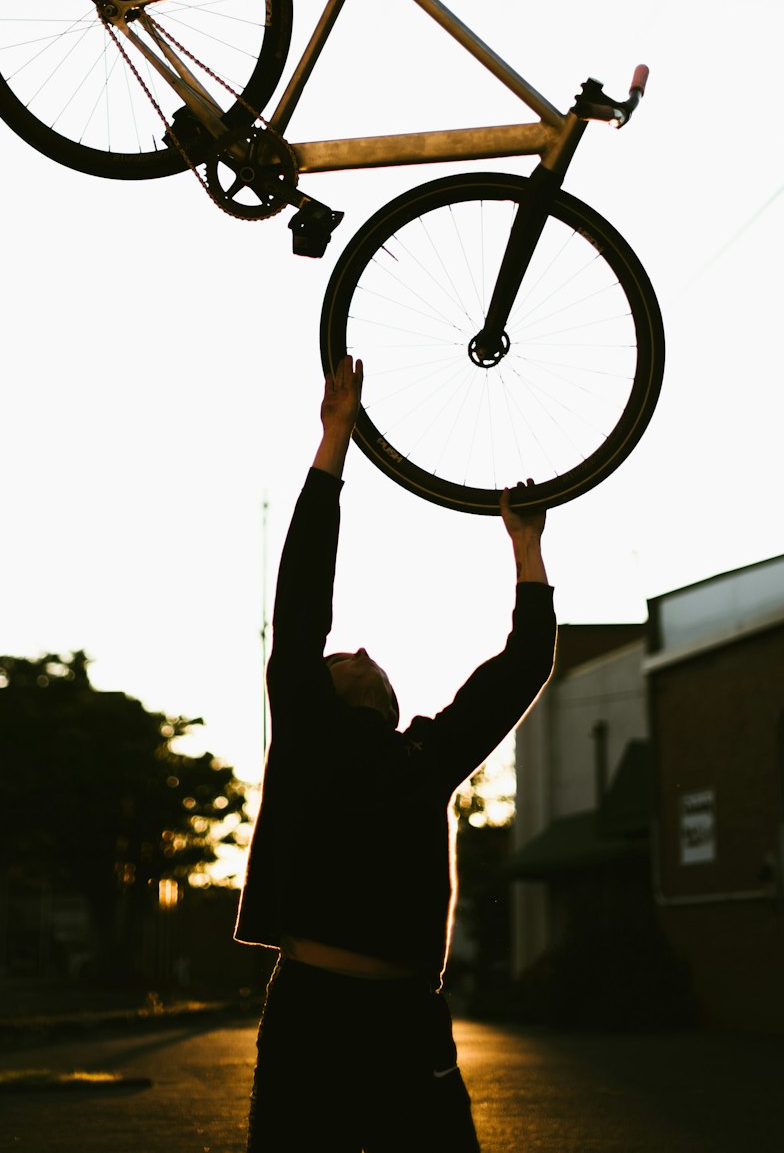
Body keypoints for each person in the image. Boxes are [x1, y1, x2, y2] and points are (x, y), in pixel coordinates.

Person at [235, 355, 556, 1153]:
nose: (358, 647)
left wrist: (526, 544)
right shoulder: (307, 731)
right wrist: (332, 443)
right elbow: (302, 597)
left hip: (409, 1018)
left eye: (355, 655)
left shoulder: (426, 756)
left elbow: (523, 665)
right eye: (340, 654)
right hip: (310, 1011)